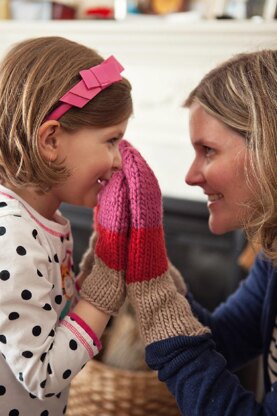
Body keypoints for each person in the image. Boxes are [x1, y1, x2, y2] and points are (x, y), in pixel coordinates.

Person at [80, 49, 277, 415]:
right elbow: (224, 341)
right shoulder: (273, 250)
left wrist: (155, 295)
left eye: (208, 151)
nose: (190, 175)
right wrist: (150, 267)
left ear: (270, 150)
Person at [0, 36, 133, 415]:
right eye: (111, 141)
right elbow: (40, 374)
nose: (119, 161)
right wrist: (103, 290)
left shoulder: (42, 220)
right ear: (51, 140)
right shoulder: (12, 234)